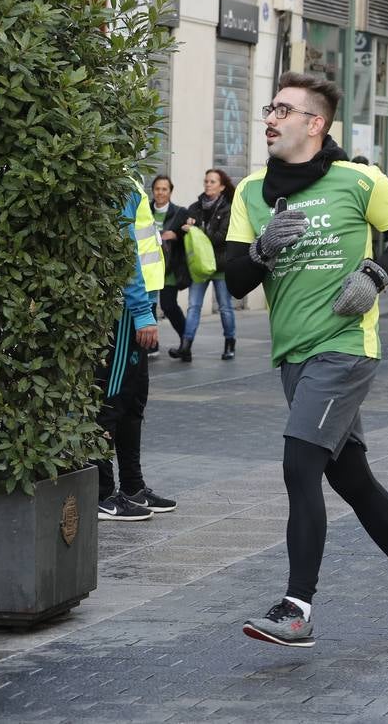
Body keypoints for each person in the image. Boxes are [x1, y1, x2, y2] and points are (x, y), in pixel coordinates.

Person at [226, 72, 388, 648]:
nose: (270, 118)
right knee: (351, 478)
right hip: (293, 354)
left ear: (314, 123)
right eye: (269, 107)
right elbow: (234, 281)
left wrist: (376, 274)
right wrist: (263, 247)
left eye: (284, 109)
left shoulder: (358, 180)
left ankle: (297, 607)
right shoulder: (252, 191)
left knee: (299, 466)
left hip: (346, 348)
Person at [96, 176, 177, 521]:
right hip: (126, 311)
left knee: (133, 400)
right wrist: (142, 310)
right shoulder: (117, 183)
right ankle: (100, 492)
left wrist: (150, 304)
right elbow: (126, 253)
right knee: (110, 400)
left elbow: (145, 251)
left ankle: (132, 486)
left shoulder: (130, 178)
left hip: (138, 306)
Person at [171, 169, 236, 362]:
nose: (208, 184)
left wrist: (195, 230)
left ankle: (230, 343)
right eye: (206, 181)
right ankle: (185, 345)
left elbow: (220, 237)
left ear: (222, 187)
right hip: (199, 265)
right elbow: (187, 235)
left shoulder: (228, 209)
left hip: (220, 265)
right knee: (193, 306)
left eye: (213, 182)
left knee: (225, 307)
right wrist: (185, 229)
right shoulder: (195, 207)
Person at [149, 175, 188, 354]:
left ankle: (186, 339)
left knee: (168, 306)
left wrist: (177, 235)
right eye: (157, 188)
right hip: (148, 266)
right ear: (153, 191)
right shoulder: (146, 209)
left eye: (164, 189)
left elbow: (189, 234)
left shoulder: (180, 212)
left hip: (169, 268)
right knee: (148, 306)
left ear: (170, 192)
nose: (160, 192)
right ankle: (151, 345)